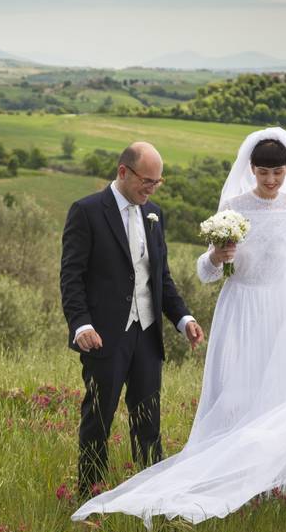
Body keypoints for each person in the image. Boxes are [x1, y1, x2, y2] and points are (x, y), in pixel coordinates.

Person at [72, 127, 286, 527]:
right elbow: (205, 272)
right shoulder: (233, 208)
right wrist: (217, 256)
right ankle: (179, 480)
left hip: (282, 319)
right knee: (231, 398)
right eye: (264, 173)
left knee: (277, 397)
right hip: (240, 314)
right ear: (251, 169)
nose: (271, 181)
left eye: (278, 173)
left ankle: (274, 485)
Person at [60, 141, 207, 498]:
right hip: (104, 336)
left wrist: (183, 317)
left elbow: (161, 278)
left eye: (158, 182)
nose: (152, 189)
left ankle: (148, 497)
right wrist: (81, 324)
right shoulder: (87, 211)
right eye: (147, 180)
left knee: (149, 423)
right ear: (123, 172)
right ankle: (91, 495)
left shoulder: (154, 214)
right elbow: (71, 276)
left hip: (147, 336)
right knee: (98, 418)